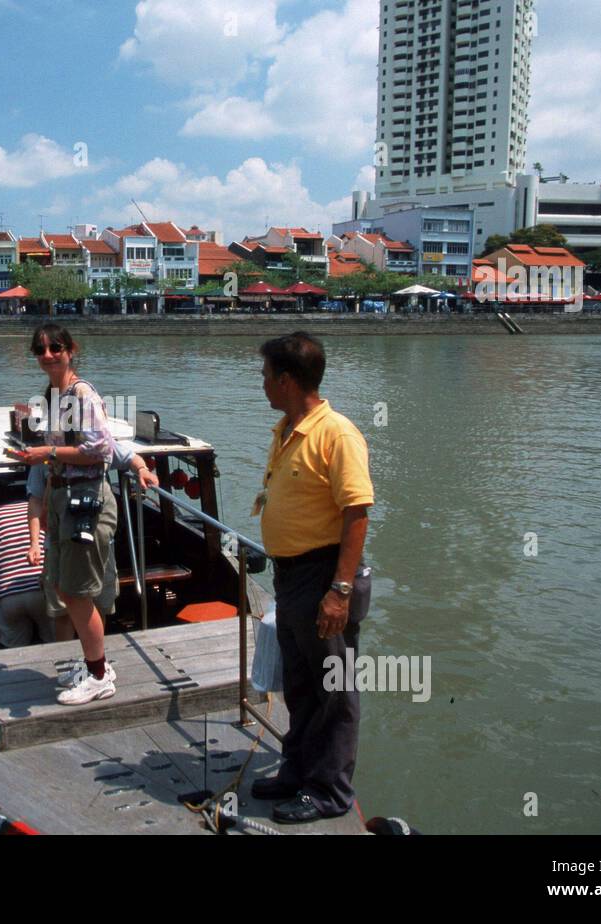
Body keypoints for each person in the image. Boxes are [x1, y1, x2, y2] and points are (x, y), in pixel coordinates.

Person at [250, 332, 374, 824]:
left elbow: (357, 512)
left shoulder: (336, 433)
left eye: (264, 376)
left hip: (325, 577)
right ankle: (297, 769)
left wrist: (339, 592)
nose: (261, 385)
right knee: (301, 684)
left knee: (335, 689)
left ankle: (330, 790)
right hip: (292, 577)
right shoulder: (287, 429)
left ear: (285, 380)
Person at [7, 324, 119, 706]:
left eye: (55, 348)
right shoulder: (52, 396)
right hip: (62, 499)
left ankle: (100, 674)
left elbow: (100, 448)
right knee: (62, 587)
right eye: (40, 349)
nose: (48, 355)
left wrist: (46, 455)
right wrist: (39, 460)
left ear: (71, 349)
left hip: (85, 499)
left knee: (77, 591)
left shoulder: (81, 393)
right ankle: (92, 665)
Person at [27, 439, 158, 684]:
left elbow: (129, 456)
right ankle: (68, 666)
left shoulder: (94, 440)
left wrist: (141, 470)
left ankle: (96, 664)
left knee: (98, 600)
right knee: (64, 608)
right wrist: (35, 542)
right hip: (59, 538)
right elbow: (36, 499)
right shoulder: (44, 450)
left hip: (92, 533)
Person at [0, 500, 53, 647]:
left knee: (15, 652)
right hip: (41, 588)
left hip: (8, 595)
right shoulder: (42, 509)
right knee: (54, 644)